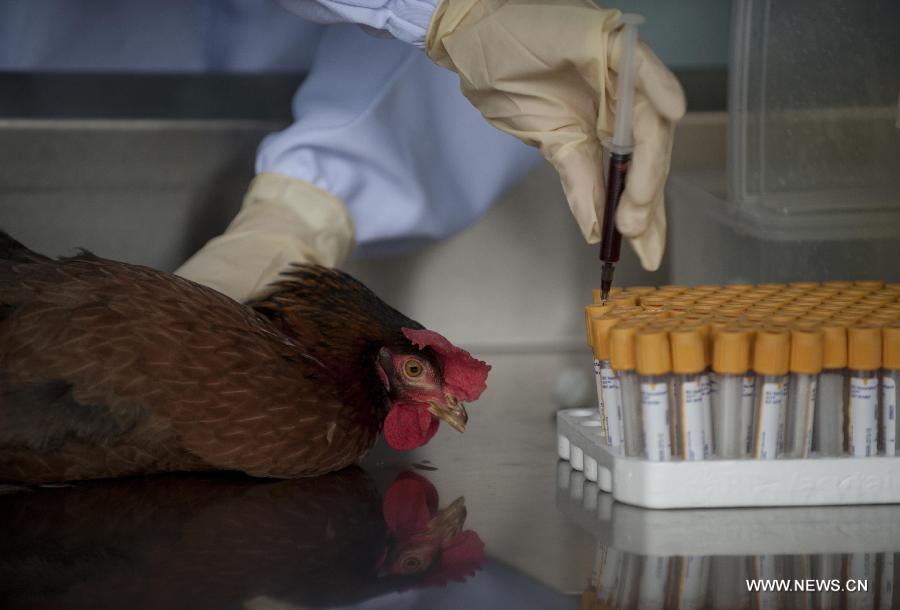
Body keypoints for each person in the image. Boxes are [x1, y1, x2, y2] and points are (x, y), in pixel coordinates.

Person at [2, 0, 685, 302]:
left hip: (344, 119)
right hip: (44, 126)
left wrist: (305, 208)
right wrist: (448, 7)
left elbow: (456, 58)